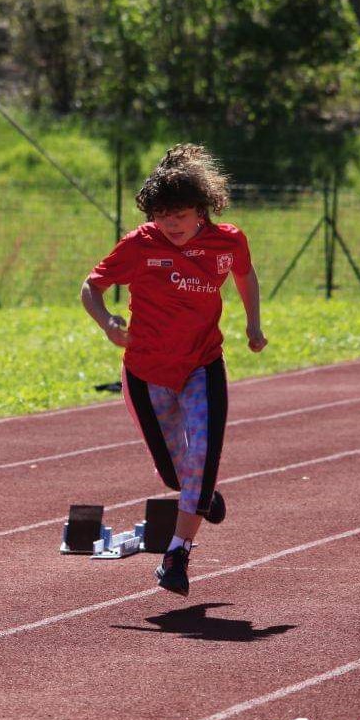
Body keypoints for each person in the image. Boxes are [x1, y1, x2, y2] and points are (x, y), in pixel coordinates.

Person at [80, 144, 266, 596]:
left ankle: (177, 555)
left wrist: (253, 324)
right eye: (162, 216)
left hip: (203, 364)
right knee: (174, 474)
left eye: (179, 215)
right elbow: (92, 287)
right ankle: (199, 497)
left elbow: (245, 275)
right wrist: (108, 323)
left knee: (201, 462)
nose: (171, 225)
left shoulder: (228, 240)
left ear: (202, 209)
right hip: (146, 372)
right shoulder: (139, 244)